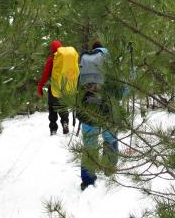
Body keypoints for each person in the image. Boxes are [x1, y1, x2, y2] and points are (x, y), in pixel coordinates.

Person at [77, 40, 121, 191]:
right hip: (108, 108)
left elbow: (77, 88)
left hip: (88, 107)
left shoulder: (83, 61)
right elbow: (119, 88)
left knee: (90, 143)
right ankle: (109, 170)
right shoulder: (109, 59)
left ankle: (88, 181)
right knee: (110, 138)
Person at [37, 40, 70, 135]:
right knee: (63, 107)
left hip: (54, 87)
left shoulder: (51, 60)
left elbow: (45, 75)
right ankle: (65, 123)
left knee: (52, 108)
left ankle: (53, 128)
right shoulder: (66, 59)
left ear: (51, 49)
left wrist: (40, 86)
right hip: (65, 87)